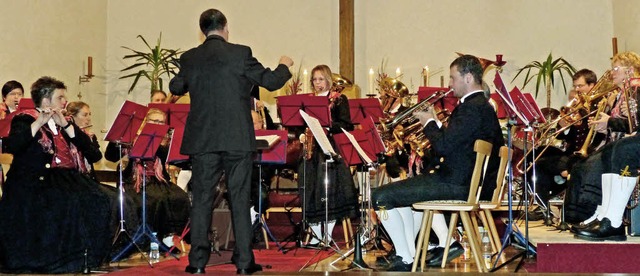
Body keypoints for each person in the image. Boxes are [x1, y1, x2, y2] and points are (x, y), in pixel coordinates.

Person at [169, 8, 293, 275]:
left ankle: (197, 263)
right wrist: (284, 64)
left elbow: (176, 88)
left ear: (203, 31)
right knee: (239, 197)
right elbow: (270, 82)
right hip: (237, 137)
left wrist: (185, 76)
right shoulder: (241, 53)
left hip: (203, 139)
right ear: (225, 27)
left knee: (201, 198)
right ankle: (245, 262)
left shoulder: (190, 57)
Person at [371, 55, 504, 271]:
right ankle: (407, 255)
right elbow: (455, 144)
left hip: (459, 183)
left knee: (380, 197)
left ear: (468, 78)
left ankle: (405, 257)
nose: (450, 84)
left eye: (453, 78)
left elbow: (443, 146)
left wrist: (429, 122)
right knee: (402, 197)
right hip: (463, 179)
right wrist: (435, 124)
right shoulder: (480, 106)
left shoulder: (472, 108)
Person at [0, 77, 112, 273]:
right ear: (45, 101)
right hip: (33, 180)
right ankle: (63, 259)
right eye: (60, 98)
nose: (64, 102)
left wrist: (68, 128)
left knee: (100, 197)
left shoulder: (65, 122)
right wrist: (38, 123)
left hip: (65, 177)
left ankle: (88, 256)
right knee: (68, 200)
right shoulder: (24, 119)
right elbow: (14, 145)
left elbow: (94, 155)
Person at [566, 51, 640, 240]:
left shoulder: (635, 86)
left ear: (630, 70)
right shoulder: (626, 90)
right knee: (611, 150)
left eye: (617, 68)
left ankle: (614, 222)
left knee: (621, 149)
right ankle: (604, 215)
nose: (612, 72)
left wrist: (628, 115)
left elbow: (633, 125)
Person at [104, 108, 191, 245]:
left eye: (161, 122)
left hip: (159, 181)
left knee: (180, 197)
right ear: (145, 122)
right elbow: (110, 156)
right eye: (154, 121)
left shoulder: (165, 142)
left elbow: (175, 159)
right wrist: (118, 138)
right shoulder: (133, 139)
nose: (158, 125)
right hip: (135, 181)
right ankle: (150, 239)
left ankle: (169, 235)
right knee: (154, 199)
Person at [297, 64, 358, 248]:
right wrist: (301, 133)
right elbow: (300, 123)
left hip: (330, 150)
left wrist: (328, 125)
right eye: (315, 80)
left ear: (328, 80)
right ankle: (315, 235)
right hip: (312, 150)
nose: (317, 83)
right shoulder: (307, 101)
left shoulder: (339, 100)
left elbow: (347, 125)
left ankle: (327, 235)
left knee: (329, 192)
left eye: (321, 79)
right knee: (310, 189)